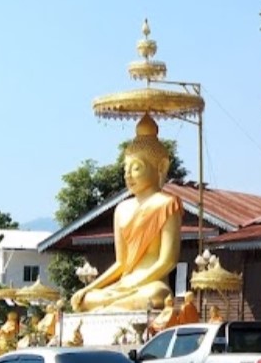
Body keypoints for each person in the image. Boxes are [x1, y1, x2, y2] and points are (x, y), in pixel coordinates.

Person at [71, 115, 183, 312]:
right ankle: (112, 304)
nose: (128, 175)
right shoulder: (121, 209)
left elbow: (168, 261)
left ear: (161, 166)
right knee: (88, 299)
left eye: (136, 167)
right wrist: (89, 287)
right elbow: (122, 263)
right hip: (123, 285)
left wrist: (135, 285)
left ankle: (112, 305)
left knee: (157, 295)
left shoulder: (167, 203)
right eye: (126, 169)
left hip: (149, 284)